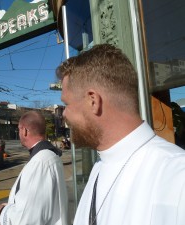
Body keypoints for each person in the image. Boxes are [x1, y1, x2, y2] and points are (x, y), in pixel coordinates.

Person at [56, 44, 185, 225]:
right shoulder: (99, 168)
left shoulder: (177, 177)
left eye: (66, 104)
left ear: (93, 101)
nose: (64, 114)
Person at [0, 111, 68, 225]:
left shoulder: (40, 162)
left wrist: (1, 212)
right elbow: (37, 204)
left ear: (25, 131)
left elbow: (27, 219)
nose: (18, 132)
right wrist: (10, 206)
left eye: (19, 129)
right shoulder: (47, 156)